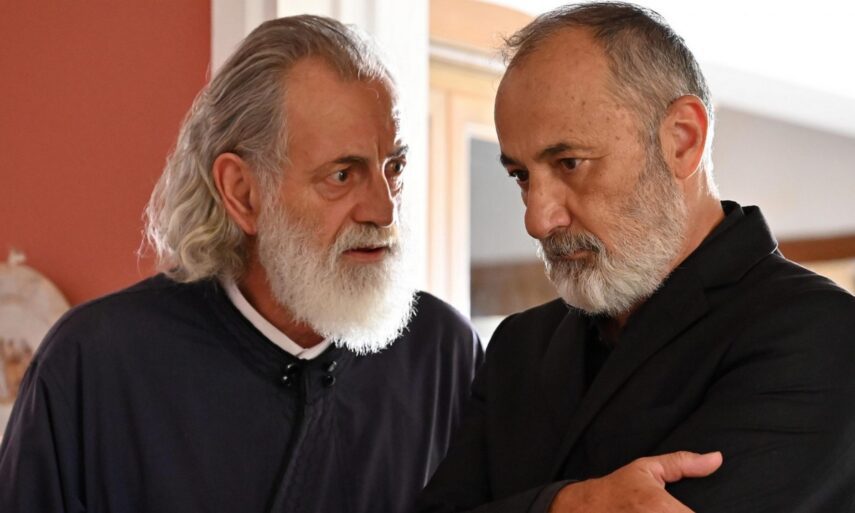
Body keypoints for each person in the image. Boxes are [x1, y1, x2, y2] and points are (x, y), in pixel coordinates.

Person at [0, 15, 481, 513]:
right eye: (342, 175)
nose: (384, 210)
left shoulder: (442, 352)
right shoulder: (94, 363)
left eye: (393, 168)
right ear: (243, 192)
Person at [418, 3, 855, 512]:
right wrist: (570, 506)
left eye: (570, 163)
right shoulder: (520, 346)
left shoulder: (819, 332)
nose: (537, 220)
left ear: (682, 140)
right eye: (521, 176)